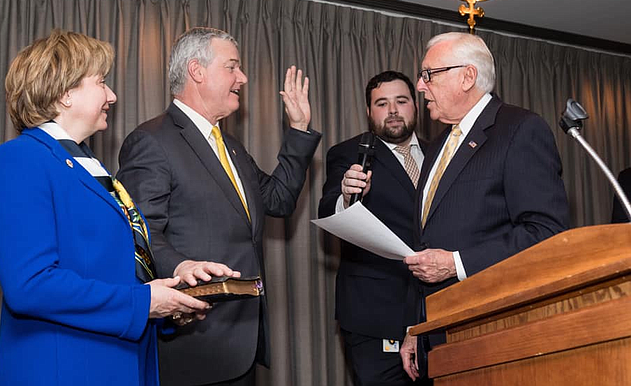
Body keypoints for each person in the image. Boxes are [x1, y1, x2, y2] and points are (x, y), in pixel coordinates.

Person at [0, 30, 238, 386]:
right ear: (65, 93)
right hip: (64, 369)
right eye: (101, 82)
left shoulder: (92, 169)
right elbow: (31, 285)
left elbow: (116, 271)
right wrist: (143, 302)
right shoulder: (19, 160)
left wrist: (169, 301)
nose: (112, 96)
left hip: (122, 363)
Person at [117, 27, 321, 386]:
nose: (242, 78)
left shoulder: (232, 147)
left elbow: (278, 200)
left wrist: (300, 128)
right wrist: (180, 266)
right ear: (197, 71)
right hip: (194, 343)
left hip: (242, 339)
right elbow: (139, 233)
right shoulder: (152, 141)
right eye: (232, 67)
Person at [399, 32, 570, 381]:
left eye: (429, 74)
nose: (420, 85)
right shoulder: (438, 145)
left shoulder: (520, 130)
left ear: (467, 76)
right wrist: (417, 327)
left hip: (494, 330)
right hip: (440, 329)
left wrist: (456, 264)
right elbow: (431, 240)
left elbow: (546, 233)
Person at [319, 71, 426, 385]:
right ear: (369, 112)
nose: (392, 110)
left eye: (401, 101)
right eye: (382, 103)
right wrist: (348, 198)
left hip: (439, 313)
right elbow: (328, 208)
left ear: (416, 106)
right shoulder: (350, 154)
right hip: (376, 317)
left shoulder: (442, 153)